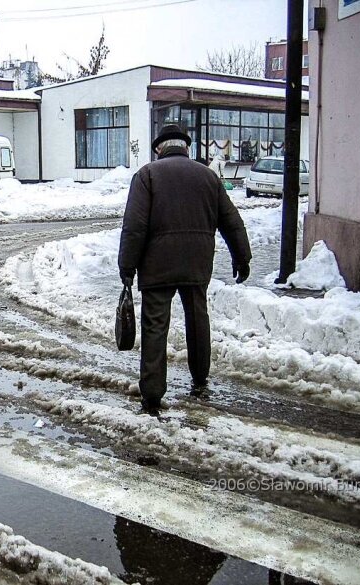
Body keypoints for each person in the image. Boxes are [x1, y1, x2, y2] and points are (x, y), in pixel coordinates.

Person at [118, 124, 251, 415]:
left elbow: (134, 227)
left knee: (155, 327)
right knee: (197, 318)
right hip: (196, 262)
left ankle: (152, 395)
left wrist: (127, 267)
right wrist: (243, 258)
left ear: (159, 149)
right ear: (186, 148)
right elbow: (231, 220)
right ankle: (200, 378)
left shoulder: (147, 176)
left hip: (157, 266)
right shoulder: (208, 177)